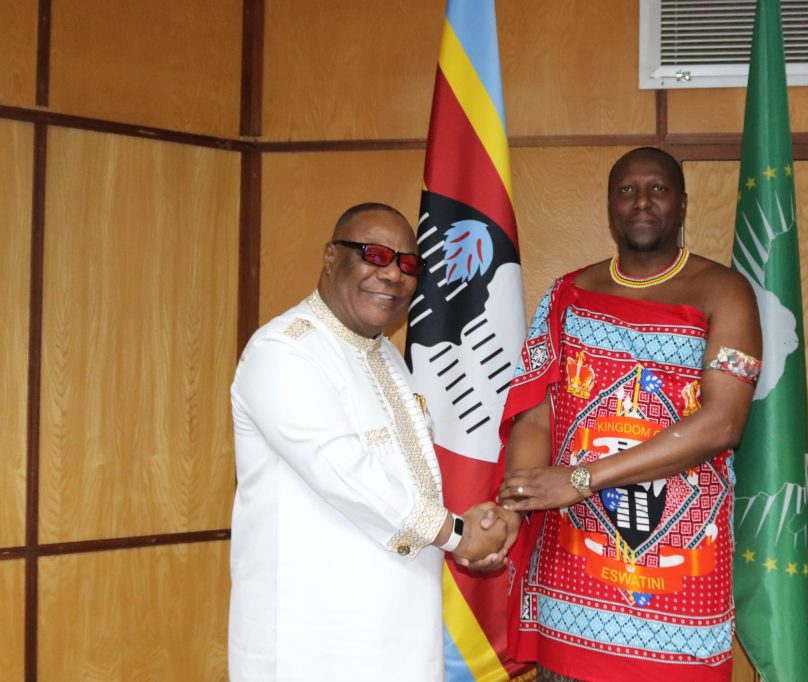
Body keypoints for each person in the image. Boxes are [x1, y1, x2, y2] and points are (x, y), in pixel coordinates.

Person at [497, 147, 762, 681]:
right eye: (627, 190)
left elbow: (723, 423)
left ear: (682, 204)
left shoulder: (726, 292)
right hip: (573, 575)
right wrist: (515, 505)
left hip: (681, 578)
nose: (642, 201)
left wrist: (581, 478)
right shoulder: (568, 293)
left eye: (658, 189)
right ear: (610, 206)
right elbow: (537, 416)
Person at [229, 202, 515, 681]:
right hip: (313, 636)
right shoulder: (284, 350)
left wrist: (470, 528)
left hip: (399, 627)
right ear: (330, 256)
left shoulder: (385, 355)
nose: (393, 275)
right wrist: (459, 534)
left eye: (408, 264)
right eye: (374, 255)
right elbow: (346, 473)